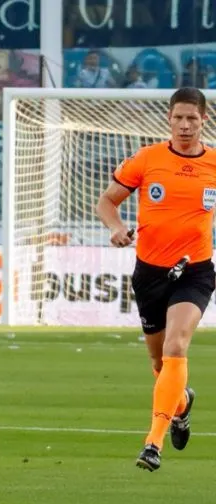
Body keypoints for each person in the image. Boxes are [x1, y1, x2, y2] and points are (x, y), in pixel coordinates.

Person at [96, 86, 216, 472]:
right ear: (169, 119)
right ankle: (180, 404)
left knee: (177, 347)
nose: (185, 125)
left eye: (192, 118)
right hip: (149, 272)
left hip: (194, 271)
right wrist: (115, 228)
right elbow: (107, 200)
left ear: (204, 120)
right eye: (178, 117)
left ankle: (153, 443)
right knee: (160, 362)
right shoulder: (147, 159)